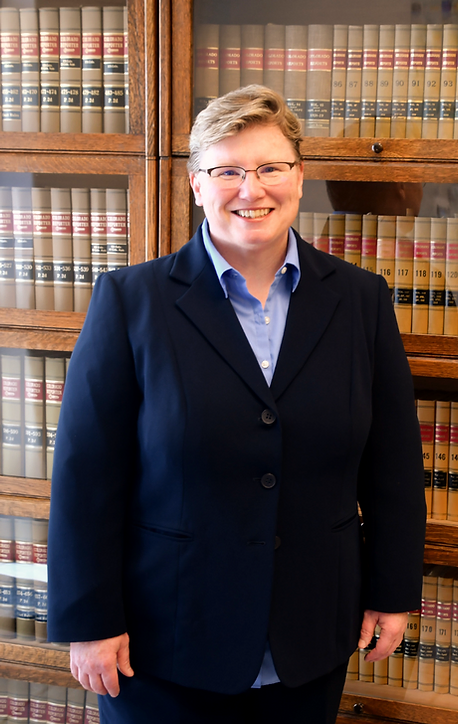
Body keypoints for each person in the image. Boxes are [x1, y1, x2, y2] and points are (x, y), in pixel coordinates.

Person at [47, 85, 426, 724]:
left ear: (299, 178)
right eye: (227, 170)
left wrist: (392, 592)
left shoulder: (362, 301)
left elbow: (392, 465)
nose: (251, 189)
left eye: (270, 167)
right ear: (197, 185)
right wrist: (88, 621)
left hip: (311, 636)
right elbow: (87, 477)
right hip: (162, 642)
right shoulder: (131, 301)